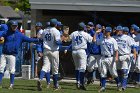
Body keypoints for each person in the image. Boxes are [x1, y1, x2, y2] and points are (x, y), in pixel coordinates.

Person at [0, 20, 40, 89]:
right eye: (13, 25)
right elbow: (1, 36)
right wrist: (1, 37)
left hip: (12, 54)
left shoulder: (20, 35)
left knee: (12, 70)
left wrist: (38, 40)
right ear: (11, 26)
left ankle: (11, 84)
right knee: (1, 69)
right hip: (4, 53)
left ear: (17, 26)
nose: (14, 27)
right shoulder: (6, 32)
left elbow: (29, 39)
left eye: (15, 26)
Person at [65, 22, 95, 90]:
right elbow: (93, 41)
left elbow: (67, 40)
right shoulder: (85, 34)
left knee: (77, 68)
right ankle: (81, 83)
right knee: (82, 68)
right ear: (83, 28)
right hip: (81, 51)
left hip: (74, 51)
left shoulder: (74, 33)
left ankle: (77, 82)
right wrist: (95, 33)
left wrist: (66, 34)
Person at [37, 18, 61, 91]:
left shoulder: (44, 30)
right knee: (55, 69)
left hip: (46, 50)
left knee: (45, 66)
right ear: (55, 24)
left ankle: (40, 79)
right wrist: (62, 41)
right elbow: (57, 42)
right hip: (54, 51)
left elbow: (40, 39)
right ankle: (56, 86)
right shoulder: (56, 31)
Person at [94, 27, 120, 92]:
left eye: (106, 31)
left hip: (110, 57)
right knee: (103, 72)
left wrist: (116, 57)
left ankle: (119, 84)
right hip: (103, 57)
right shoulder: (102, 39)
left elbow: (116, 50)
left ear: (109, 32)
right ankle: (103, 87)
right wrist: (96, 33)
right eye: (104, 31)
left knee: (113, 73)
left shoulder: (113, 40)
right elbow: (94, 41)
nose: (104, 32)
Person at [114, 26, 136, 91]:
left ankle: (124, 85)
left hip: (125, 55)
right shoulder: (114, 38)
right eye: (117, 30)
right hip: (117, 56)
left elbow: (133, 46)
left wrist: (134, 53)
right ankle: (119, 84)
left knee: (124, 71)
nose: (117, 31)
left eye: (119, 30)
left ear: (122, 31)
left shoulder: (127, 38)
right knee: (118, 71)